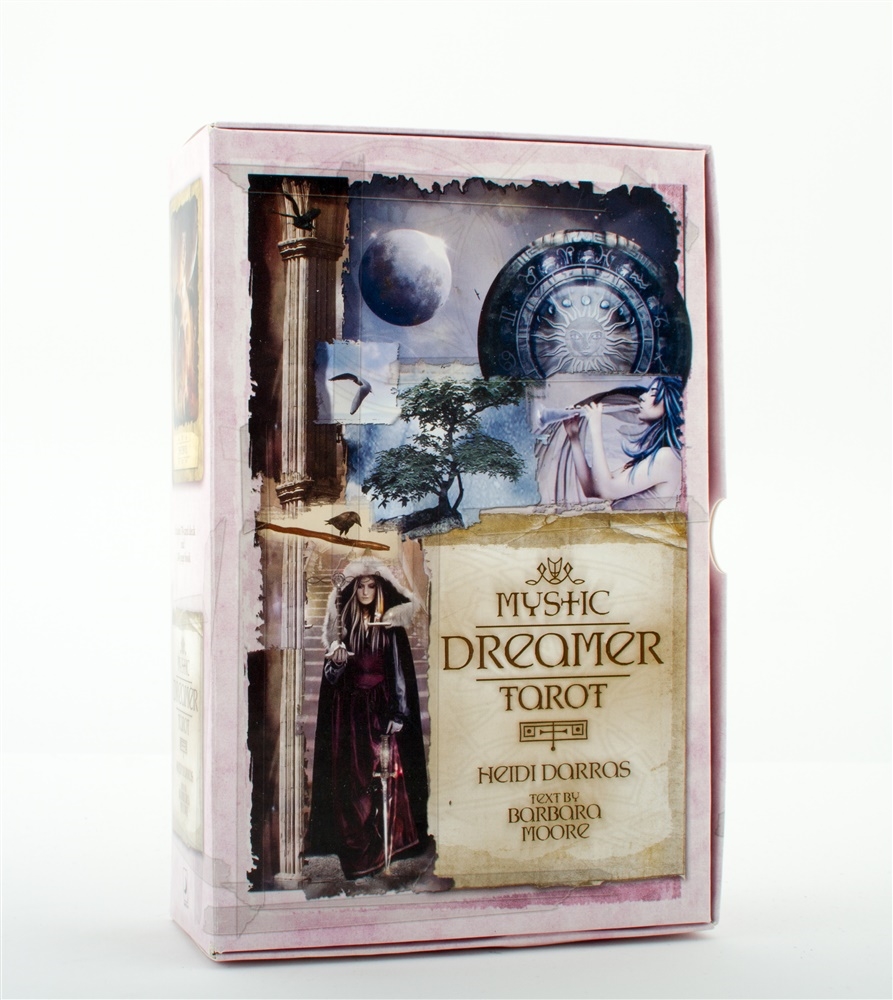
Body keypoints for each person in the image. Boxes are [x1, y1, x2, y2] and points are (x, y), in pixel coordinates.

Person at [307, 560, 428, 880]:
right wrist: (336, 661)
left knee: (384, 776)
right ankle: (356, 845)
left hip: (380, 710)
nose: (365, 591)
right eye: (360, 586)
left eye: (371, 585)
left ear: (380, 589)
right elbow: (332, 678)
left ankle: (388, 842)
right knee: (351, 780)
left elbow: (398, 672)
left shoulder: (390, 627)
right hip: (348, 713)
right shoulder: (343, 627)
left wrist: (399, 713)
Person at [565, 376, 684, 510]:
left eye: (653, 393)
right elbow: (591, 489)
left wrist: (595, 428)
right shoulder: (654, 456)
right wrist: (574, 437)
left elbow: (605, 490)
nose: (642, 397)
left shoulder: (668, 457)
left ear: (671, 404)